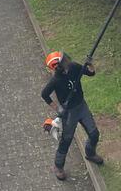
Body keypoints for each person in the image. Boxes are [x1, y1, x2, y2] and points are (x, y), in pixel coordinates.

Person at [41, 51, 104, 181]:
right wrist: (58, 108)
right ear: (57, 67)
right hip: (69, 113)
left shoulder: (74, 67)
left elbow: (91, 73)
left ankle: (90, 153)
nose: (67, 61)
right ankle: (58, 166)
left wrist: (90, 65)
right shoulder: (55, 81)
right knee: (66, 140)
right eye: (64, 61)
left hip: (82, 106)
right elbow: (44, 94)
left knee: (94, 134)